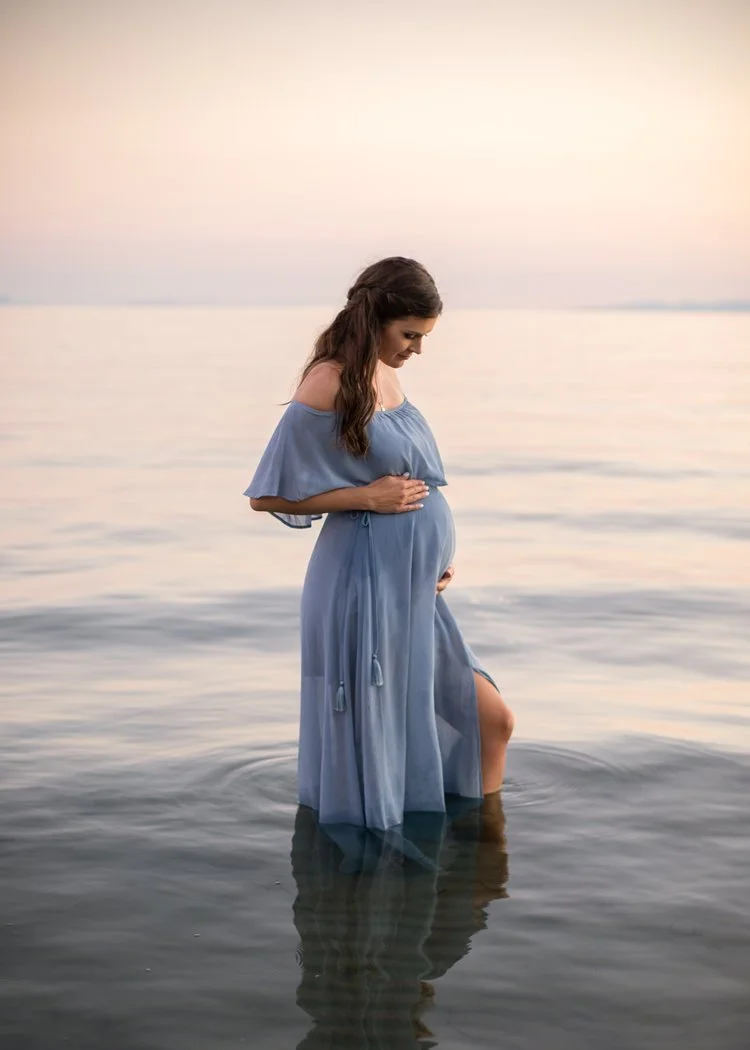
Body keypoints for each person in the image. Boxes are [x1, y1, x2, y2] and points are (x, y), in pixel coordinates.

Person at [244, 256, 515, 829]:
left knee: (493, 719)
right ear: (377, 319)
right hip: (361, 587)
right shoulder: (328, 381)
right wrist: (364, 498)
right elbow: (268, 495)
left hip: (414, 589)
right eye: (410, 333)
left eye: (424, 336)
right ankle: (387, 871)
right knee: (383, 729)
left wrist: (432, 558)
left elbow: (416, 486)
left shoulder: (388, 375)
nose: (417, 348)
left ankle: (480, 848)